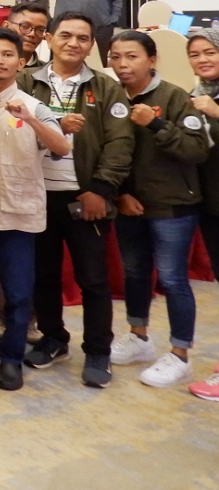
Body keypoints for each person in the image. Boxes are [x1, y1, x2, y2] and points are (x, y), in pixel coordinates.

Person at [21, 12, 133, 389]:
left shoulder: (106, 88)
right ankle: (54, 338)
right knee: (43, 274)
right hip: (36, 197)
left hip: (86, 197)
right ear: (48, 38)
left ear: (91, 45)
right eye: (65, 35)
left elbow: (120, 143)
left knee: (94, 279)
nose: (73, 43)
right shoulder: (25, 82)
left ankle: (98, 349)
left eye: (83, 38)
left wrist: (101, 188)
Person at [0, 27, 68, 393]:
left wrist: (31, 119)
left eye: (7, 55)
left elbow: (61, 147)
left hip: (17, 216)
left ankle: (11, 359)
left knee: (19, 292)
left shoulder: (33, 104)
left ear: (21, 62)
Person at [106, 30, 208, 389]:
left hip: (173, 205)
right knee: (135, 272)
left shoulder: (174, 97)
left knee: (172, 279)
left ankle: (180, 354)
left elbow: (196, 150)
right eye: (116, 57)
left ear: (152, 60)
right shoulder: (111, 96)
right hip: (130, 204)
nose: (122, 64)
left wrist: (156, 123)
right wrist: (120, 194)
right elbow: (111, 153)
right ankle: (138, 335)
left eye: (131, 57)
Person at [185, 28, 219, 401]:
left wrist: (215, 112)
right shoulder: (199, 93)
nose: (203, 59)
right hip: (211, 202)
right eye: (195, 54)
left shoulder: (209, 101)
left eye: (209, 51)